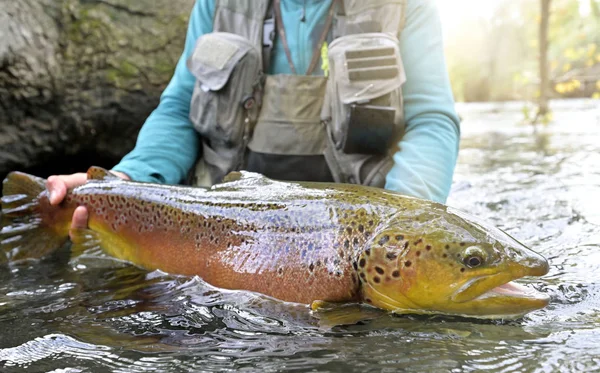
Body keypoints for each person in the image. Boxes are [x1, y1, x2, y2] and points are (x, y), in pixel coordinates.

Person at [47, 0, 460, 232]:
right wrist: (123, 183)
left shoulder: (407, 7)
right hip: (226, 227)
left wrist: (406, 224)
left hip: (355, 233)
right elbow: (180, 108)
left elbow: (431, 120)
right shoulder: (217, 4)